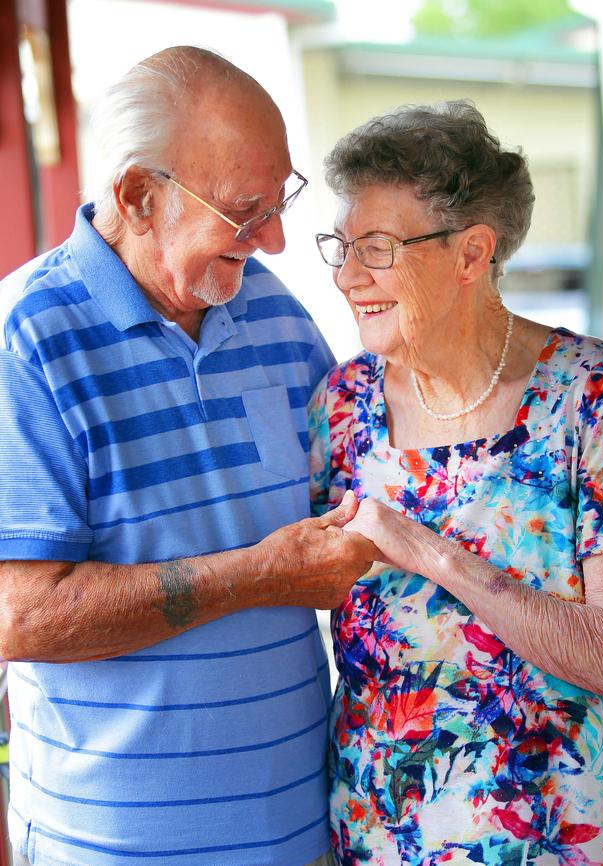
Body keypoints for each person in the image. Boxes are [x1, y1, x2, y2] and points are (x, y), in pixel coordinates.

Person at [0, 46, 379, 866]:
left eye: (281, 204)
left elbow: (348, 505)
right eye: (247, 211)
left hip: (301, 840)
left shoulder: (276, 314)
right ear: (139, 196)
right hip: (113, 847)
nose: (275, 241)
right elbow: (19, 614)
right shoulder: (26, 338)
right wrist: (255, 577)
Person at [310, 101, 603, 865]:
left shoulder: (587, 394)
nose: (346, 275)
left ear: (471, 254)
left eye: (377, 247)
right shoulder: (340, 408)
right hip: (382, 838)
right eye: (340, 244)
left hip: (567, 839)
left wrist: (433, 555)